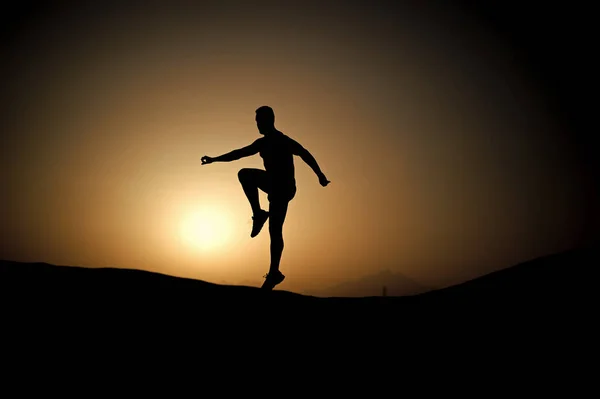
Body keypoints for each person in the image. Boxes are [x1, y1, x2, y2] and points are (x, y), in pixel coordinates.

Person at [201, 106, 330, 290]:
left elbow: (305, 153)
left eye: (259, 122)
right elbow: (239, 153)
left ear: (268, 120)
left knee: (246, 175)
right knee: (275, 230)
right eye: (256, 122)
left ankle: (259, 215)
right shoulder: (262, 143)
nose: (257, 125)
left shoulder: (283, 140)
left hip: (283, 187)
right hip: (276, 187)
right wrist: (214, 159)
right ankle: (274, 272)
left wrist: (320, 175)